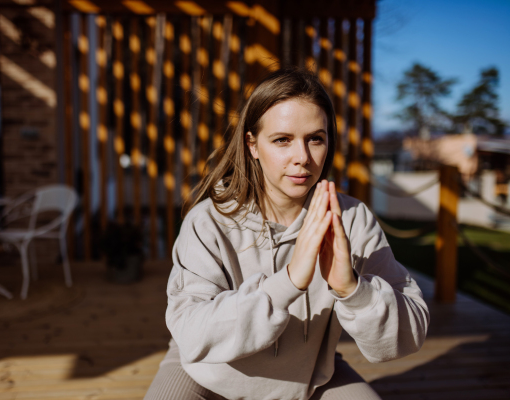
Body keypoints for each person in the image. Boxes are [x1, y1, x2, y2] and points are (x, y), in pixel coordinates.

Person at [144, 67, 430, 400]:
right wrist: (289, 281)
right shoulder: (207, 222)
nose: (303, 158)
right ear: (252, 145)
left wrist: (351, 288)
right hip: (205, 374)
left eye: (315, 139)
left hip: (309, 379)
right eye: (282, 140)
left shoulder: (351, 219)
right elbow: (191, 332)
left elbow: (411, 334)